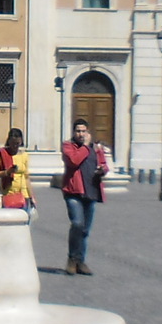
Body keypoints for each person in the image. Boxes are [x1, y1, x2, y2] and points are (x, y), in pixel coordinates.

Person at [60, 118, 108, 275]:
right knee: (77, 223)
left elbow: (104, 164)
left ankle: (80, 261)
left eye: (83, 131)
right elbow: (74, 161)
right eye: (78, 131)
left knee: (85, 230)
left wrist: (102, 169)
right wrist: (86, 146)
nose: (81, 134)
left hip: (91, 191)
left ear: (88, 132)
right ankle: (72, 259)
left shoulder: (96, 148)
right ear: (74, 132)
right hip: (73, 192)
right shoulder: (68, 146)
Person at [0, 128, 34, 215]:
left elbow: (26, 177)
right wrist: (7, 172)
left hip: (23, 195)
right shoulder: (2, 154)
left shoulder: (24, 155)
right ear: (9, 141)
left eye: (17, 143)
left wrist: (31, 196)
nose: (15, 146)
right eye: (13, 143)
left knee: (24, 222)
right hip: (8, 194)